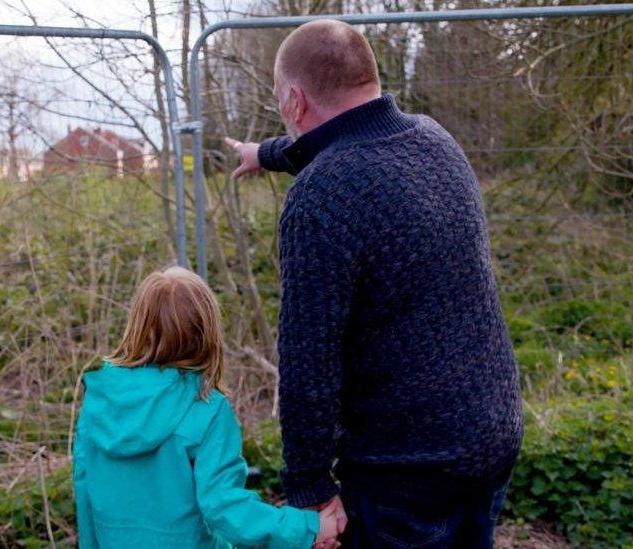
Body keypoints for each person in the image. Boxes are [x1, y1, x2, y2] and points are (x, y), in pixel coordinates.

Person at [226, 19, 523, 548]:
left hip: (408, 473)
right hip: (490, 433)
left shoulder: (321, 198)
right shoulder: (434, 139)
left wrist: (310, 488)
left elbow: (308, 362)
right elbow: (350, 142)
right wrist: (265, 153)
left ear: (294, 100)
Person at [72, 266, 345, 548]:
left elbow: (84, 494)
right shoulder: (207, 409)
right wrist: (308, 528)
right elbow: (224, 507)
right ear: (207, 332)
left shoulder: (98, 402)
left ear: (138, 324)